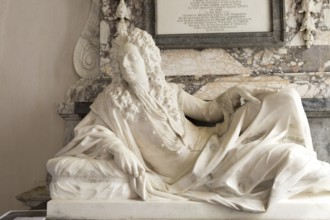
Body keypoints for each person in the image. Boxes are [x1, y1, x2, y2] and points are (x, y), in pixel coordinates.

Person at [47, 28, 330, 213]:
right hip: (191, 173)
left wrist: (235, 93)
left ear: (147, 61)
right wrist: (118, 149)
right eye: (121, 62)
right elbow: (88, 133)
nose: (125, 66)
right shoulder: (113, 101)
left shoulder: (169, 91)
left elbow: (209, 113)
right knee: (291, 159)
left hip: (217, 145)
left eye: (132, 59)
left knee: (287, 98)